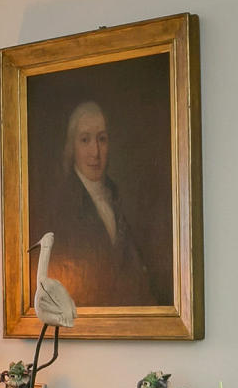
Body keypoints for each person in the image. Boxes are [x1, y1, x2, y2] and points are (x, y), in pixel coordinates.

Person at [38, 98, 159, 307]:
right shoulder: (63, 205)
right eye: (85, 140)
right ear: (72, 147)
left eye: (102, 139)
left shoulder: (116, 196)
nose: (95, 152)